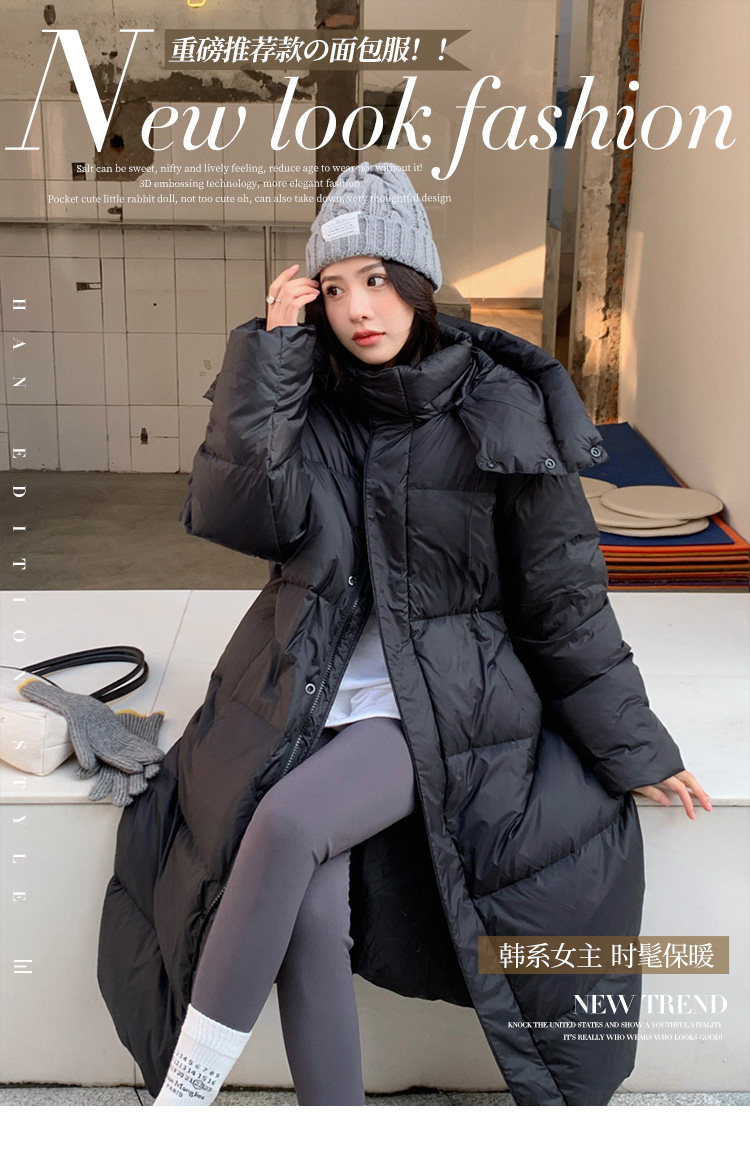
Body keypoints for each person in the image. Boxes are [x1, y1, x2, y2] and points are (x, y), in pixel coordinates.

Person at [103, 162, 710, 1108]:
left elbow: (562, 599)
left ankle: (181, 1110)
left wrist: (633, 746)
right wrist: (270, 358)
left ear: (419, 283)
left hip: (435, 702)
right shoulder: (310, 396)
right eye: (334, 287)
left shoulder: (497, 406)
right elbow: (241, 515)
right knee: (311, 906)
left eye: (378, 279)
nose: (357, 309)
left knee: (289, 823)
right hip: (305, 683)